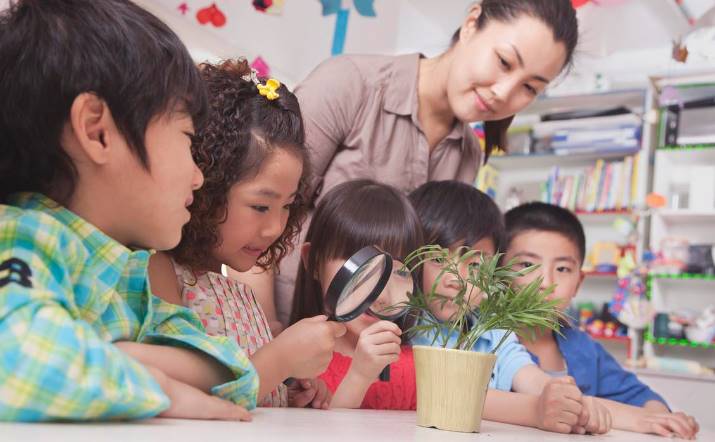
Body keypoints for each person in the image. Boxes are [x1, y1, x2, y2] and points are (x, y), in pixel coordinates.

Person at [0, 0, 255, 421]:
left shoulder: (125, 274)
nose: (198, 177)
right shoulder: (21, 235)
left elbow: (234, 371)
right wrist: (160, 387)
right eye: (188, 139)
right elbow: (15, 359)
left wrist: (119, 355)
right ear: (97, 131)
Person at [270, 0, 581, 330]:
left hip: (371, 343)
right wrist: (267, 327)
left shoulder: (468, 154)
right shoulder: (350, 84)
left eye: (529, 87)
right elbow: (264, 213)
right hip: (284, 322)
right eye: (504, 62)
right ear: (472, 23)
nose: (504, 93)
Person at [290, 180, 608, 434]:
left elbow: (492, 387)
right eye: (439, 259)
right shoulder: (304, 349)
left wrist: (560, 400)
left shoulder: (416, 353)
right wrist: (360, 374)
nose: (378, 290)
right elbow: (329, 429)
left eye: (396, 271)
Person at [149, 59, 344, 409]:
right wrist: (280, 360)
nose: (276, 228)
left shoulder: (239, 294)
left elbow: (251, 385)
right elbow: (177, 394)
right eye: (260, 206)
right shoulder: (160, 270)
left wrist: (284, 389)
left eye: (288, 206)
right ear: (205, 186)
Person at [504, 202, 700, 439]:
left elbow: (641, 397)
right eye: (527, 265)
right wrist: (636, 418)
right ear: (496, 272)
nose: (545, 282)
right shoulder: (488, 342)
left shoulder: (584, 348)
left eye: (563, 269)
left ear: (578, 283)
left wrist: (659, 418)